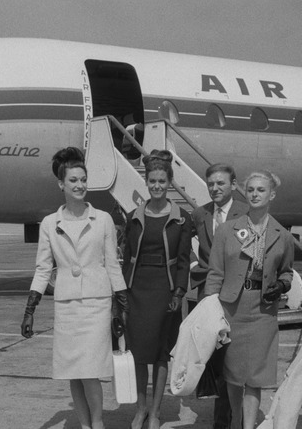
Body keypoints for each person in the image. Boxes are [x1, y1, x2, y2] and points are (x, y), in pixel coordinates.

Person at [20, 147, 128, 429]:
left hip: (96, 304)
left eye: (83, 179)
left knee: (90, 371)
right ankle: (84, 425)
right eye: (73, 181)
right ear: (61, 184)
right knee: (73, 372)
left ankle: (98, 423)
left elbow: (112, 264)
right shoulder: (49, 223)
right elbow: (43, 268)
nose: (80, 185)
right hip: (67, 306)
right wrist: (30, 309)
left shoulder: (103, 219)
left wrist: (122, 305)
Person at [204, 171, 294, 429]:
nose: (255, 194)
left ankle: (248, 425)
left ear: (272, 195)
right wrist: (211, 308)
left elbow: (287, 271)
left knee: (255, 375)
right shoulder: (226, 230)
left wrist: (282, 284)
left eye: (261, 190)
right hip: (232, 308)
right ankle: (235, 419)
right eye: (251, 190)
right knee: (233, 373)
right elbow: (215, 273)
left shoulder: (282, 234)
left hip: (262, 311)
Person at [123, 149, 193, 429]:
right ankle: (140, 409)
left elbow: (185, 261)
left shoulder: (181, 218)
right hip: (137, 290)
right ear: (146, 182)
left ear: (170, 182)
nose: (156, 186)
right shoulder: (133, 216)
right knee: (138, 352)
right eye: (152, 181)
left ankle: (155, 412)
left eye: (162, 181)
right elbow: (126, 255)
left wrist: (178, 292)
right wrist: (121, 294)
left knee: (161, 353)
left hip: (165, 290)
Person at [189, 163, 248, 429]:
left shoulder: (246, 212)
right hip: (209, 293)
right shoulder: (200, 214)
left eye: (221, 183)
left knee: (234, 359)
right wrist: (194, 267)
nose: (215, 188)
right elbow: (184, 245)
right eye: (211, 184)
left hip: (238, 297)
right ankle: (221, 420)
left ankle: (234, 419)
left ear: (233, 185)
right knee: (215, 356)